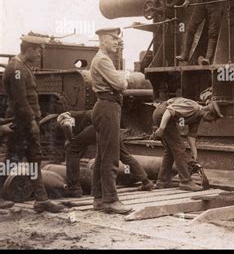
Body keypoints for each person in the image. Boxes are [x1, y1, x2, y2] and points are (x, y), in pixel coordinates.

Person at [2, 35, 64, 213]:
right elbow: (21, 101)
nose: (39, 54)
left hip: (26, 122)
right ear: (28, 49)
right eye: (37, 50)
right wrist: (31, 122)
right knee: (12, 159)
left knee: (34, 158)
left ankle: (41, 199)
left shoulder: (21, 67)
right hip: (21, 123)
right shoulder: (17, 69)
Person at [56, 110, 154, 198]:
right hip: (111, 125)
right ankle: (146, 181)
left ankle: (74, 189)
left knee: (71, 150)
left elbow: (66, 125)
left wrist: (69, 139)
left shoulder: (62, 116)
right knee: (124, 155)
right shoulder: (79, 116)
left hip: (96, 126)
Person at [90, 28, 131, 214]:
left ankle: (99, 198)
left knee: (102, 155)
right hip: (108, 107)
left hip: (105, 106)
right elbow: (121, 84)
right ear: (102, 40)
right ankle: (111, 200)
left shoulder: (102, 59)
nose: (116, 42)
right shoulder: (103, 60)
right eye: (112, 39)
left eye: (117, 39)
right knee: (111, 156)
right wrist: (124, 77)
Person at [150, 97, 223, 191]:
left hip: (166, 118)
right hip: (162, 114)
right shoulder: (192, 107)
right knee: (179, 148)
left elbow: (191, 136)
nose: (211, 122)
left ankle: (163, 181)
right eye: (212, 119)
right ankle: (185, 181)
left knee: (170, 150)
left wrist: (194, 152)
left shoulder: (198, 117)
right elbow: (169, 111)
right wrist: (161, 128)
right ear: (209, 113)